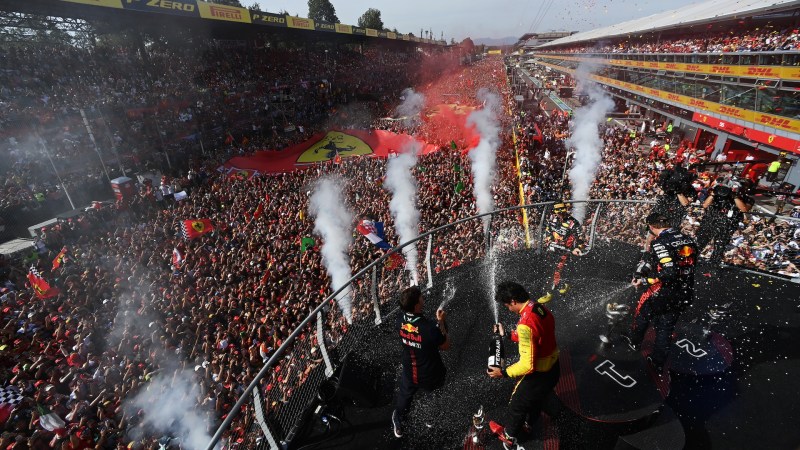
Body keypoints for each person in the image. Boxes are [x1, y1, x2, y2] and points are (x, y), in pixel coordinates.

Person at [487, 281, 560, 450]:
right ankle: (528, 424)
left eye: (506, 305)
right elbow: (537, 335)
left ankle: (509, 437)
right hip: (554, 367)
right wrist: (509, 335)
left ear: (513, 301)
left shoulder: (525, 323)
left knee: (517, 404)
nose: (507, 308)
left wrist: (503, 372)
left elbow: (527, 366)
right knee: (536, 399)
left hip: (540, 374)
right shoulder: (538, 307)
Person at [622, 213, 697, 373]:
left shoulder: (660, 242)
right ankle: (657, 363)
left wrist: (645, 281)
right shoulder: (688, 239)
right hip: (684, 291)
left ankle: (634, 342)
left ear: (651, 226)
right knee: (666, 327)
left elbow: (669, 272)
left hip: (664, 291)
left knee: (643, 314)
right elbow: (680, 265)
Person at [391, 286, 450, 438]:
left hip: (410, 370)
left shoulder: (399, 320)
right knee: (434, 395)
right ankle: (430, 419)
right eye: (421, 298)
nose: (424, 299)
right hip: (430, 372)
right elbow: (445, 345)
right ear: (417, 305)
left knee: (405, 397)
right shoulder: (429, 327)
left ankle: (399, 422)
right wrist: (441, 322)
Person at [695, 175, 753, 265]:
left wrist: (734, 196)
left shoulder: (747, 199)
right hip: (710, 222)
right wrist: (714, 194)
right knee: (699, 244)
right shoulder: (719, 196)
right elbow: (705, 205)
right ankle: (692, 261)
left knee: (719, 248)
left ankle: (713, 265)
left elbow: (744, 209)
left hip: (727, 226)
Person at [540, 202, 583, 303]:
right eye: (558, 212)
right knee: (550, 270)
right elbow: (548, 230)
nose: (560, 214)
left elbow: (579, 237)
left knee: (557, 271)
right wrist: (548, 238)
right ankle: (564, 286)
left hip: (565, 251)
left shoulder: (573, 222)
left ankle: (549, 294)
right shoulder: (552, 219)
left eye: (562, 212)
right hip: (552, 250)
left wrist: (577, 247)